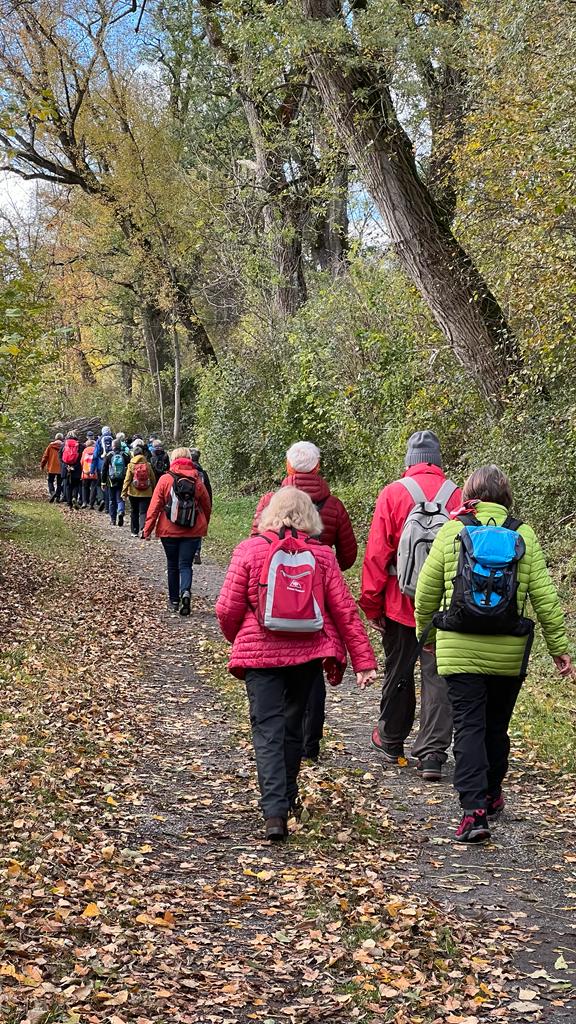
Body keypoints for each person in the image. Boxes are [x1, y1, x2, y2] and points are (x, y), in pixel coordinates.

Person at [415, 464, 572, 843]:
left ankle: (473, 812)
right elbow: (545, 597)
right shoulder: (523, 534)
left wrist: (426, 634)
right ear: (506, 497)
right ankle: (492, 793)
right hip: (508, 650)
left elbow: (426, 592)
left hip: (458, 648)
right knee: (496, 726)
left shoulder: (453, 530)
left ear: (469, 495)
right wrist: (559, 648)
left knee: (469, 726)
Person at [216, 488, 378, 841]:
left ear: (269, 514)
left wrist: (240, 636)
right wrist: (363, 661)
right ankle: (287, 797)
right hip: (307, 655)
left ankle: (274, 812)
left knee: (267, 729)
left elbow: (227, 608)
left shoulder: (249, 550)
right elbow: (344, 610)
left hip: (260, 655)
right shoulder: (322, 555)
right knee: (293, 727)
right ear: (310, 517)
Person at [360, 430, 461, 781]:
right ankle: (432, 754)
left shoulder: (393, 493)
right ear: (437, 461)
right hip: (445, 606)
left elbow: (377, 554)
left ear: (409, 462)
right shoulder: (458, 495)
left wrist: (372, 605)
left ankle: (390, 738)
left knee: (399, 669)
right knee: (438, 676)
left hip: (400, 602)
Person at [252, 441, 358, 763]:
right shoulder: (334, 505)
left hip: (276, 602)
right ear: (317, 467)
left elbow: (256, 545)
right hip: (318, 602)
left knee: (279, 669)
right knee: (313, 669)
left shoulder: (270, 502)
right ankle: (310, 745)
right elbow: (349, 555)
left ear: (288, 467)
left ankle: (282, 741)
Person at [142, 446, 212, 614]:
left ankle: (174, 601)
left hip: (169, 531)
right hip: (192, 531)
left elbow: (154, 506)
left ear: (173, 460)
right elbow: (206, 505)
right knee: (186, 564)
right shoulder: (197, 479)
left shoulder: (165, 479)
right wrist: (204, 524)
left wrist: (147, 529)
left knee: (172, 565)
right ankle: (185, 592)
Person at [121, 442, 156, 537]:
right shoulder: (147, 464)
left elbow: (127, 480)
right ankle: (143, 529)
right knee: (143, 512)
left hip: (133, 492)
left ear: (134, 454)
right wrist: (154, 490)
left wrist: (124, 492)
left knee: (134, 511)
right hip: (147, 492)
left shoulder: (131, 465)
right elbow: (152, 478)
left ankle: (134, 531)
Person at [189, 446, 212, 565]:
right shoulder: (203, 473)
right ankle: (197, 551)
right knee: (198, 529)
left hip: (186, 503)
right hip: (199, 505)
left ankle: (188, 550)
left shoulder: (186, 471)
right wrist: (209, 505)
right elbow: (208, 491)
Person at [102, 439, 130, 526]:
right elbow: (130, 468)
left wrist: (103, 482)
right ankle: (121, 511)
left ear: (113, 446)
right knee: (120, 498)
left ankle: (113, 519)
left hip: (111, 480)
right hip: (122, 480)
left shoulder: (109, 455)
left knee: (112, 500)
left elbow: (104, 469)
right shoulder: (125, 455)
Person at [91, 426, 114, 512]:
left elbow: (95, 455)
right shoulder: (113, 439)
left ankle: (102, 499)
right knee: (109, 486)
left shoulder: (99, 440)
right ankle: (110, 506)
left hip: (101, 465)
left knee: (100, 484)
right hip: (112, 466)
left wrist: (92, 469)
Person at [60, 431, 84, 509]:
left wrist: (66, 466)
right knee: (76, 484)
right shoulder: (80, 446)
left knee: (67, 485)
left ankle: (69, 502)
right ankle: (74, 497)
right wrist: (75, 466)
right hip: (76, 468)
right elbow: (81, 458)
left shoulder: (63, 445)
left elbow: (60, 457)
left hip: (66, 468)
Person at [40, 433, 63, 502]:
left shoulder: (50, 446)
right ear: (62, 438)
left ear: (55, 438)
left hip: (52, 467)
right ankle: (58, 497)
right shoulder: (64, 446)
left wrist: (42, 465)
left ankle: (52, 492)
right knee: (59, 483)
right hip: (61, 467)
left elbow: (45, 456)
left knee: (50, 481)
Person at [80, 437, 98, 508]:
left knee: (85, 487)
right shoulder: (96, 450)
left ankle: (84, 502)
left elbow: (81, 461)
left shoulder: (85, 450)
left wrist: (83, 468)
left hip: (85, 471)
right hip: (94, 472)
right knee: (93, 487)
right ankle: (91, 504)